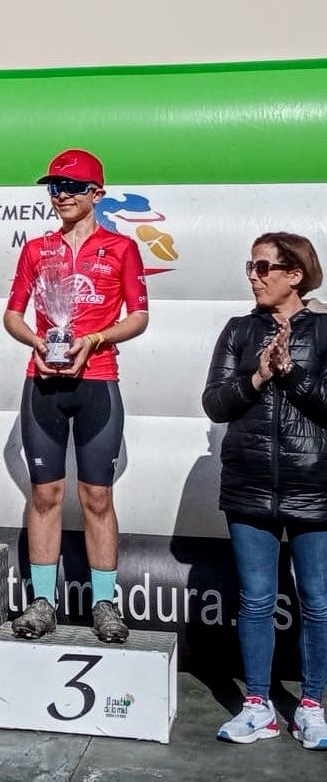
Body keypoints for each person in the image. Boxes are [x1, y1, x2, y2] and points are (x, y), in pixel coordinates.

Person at [3, 149, 149, 643]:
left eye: (71, 187)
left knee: (97, 496)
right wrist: (38, 343)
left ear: (96, 194)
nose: (61, 196)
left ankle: (106, 603)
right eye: (54, 188)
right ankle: (43, 600)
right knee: (44, 494)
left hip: (98, 380)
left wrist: (94, 340)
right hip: (43, 378)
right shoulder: (35, 249)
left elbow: (138, 317)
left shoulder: (123, 248)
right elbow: (13, 315)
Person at [203, 232, 327, 749]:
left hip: (313, 484)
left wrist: (290, 372)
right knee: (255, 601)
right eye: (249, 267)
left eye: (262, 267)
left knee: (318, 603)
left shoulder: (324, 332)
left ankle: (314, 705)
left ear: (293, 275)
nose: (252, 276)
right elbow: (214, 403)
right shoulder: (237, 330)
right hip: (249, 484)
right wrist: (256, 377)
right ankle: (258, 705)